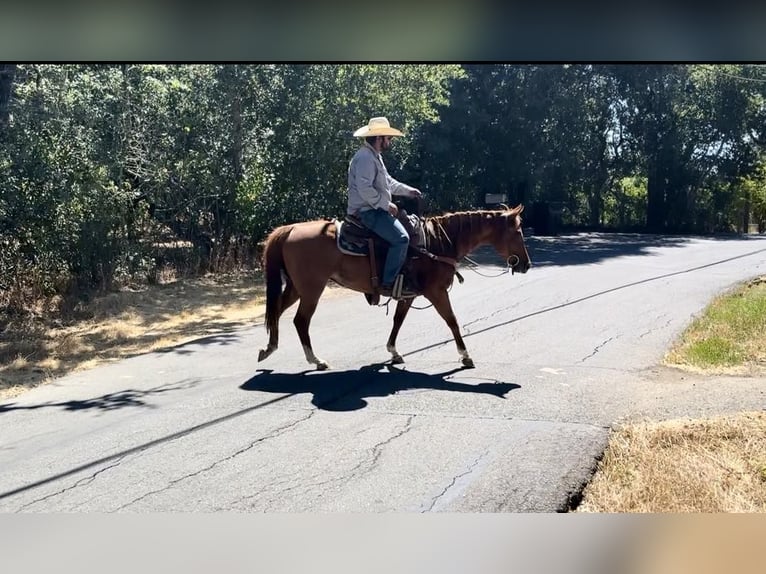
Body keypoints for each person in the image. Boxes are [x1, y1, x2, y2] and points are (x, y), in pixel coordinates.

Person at [347, 117, 422, 296]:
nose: (390, 141)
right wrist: (386, 205)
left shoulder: (374, 156)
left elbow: (388, 182)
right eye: (388, 138)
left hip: (374, 208)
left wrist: (409, 191)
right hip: (367, 212)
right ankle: (387, 283)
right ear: (379, 138)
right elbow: (365, 189)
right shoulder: (365, 157)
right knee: (402, 238)